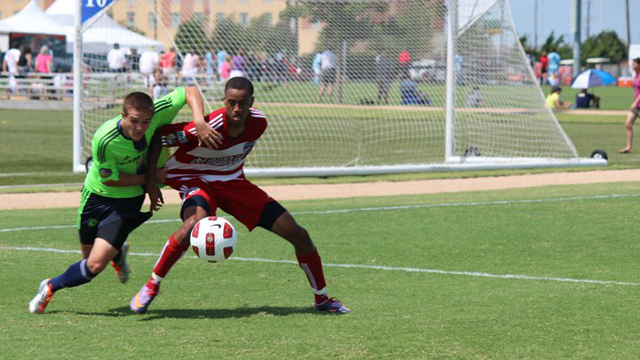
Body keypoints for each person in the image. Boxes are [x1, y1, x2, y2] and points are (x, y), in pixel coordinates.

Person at [130, 77, 350, 315]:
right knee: (194, 222)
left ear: (251, 102)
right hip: (194, 180)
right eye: (231, 102)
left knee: (299, 234)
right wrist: (152, 181)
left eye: (242, 103)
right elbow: (158, 137)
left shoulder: (259, 123)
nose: (236, 109)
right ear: (224, 101)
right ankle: (152, 285)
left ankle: (322, 299)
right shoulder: (205, 126)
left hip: (233, 183)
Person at [28, 87, 222, 314]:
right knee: (87, 259)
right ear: (123, 116)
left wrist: (199, 121)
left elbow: (189, 90)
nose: (140, 128)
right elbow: (112, 181)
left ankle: (50, 285)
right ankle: (117, 253)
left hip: (127, 202)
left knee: (94, 266)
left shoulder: (157, 111)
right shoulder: (105, 139)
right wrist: (152, 178)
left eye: (146, 122)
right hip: (97, 198)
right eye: (134, 121)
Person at [620, 58, 640, 153]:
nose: (633, 66)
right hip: (637, 106)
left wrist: (635, 102)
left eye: (634, 64)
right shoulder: (635, 76)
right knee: (628, 124)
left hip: (637, 104)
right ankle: (629, 147)